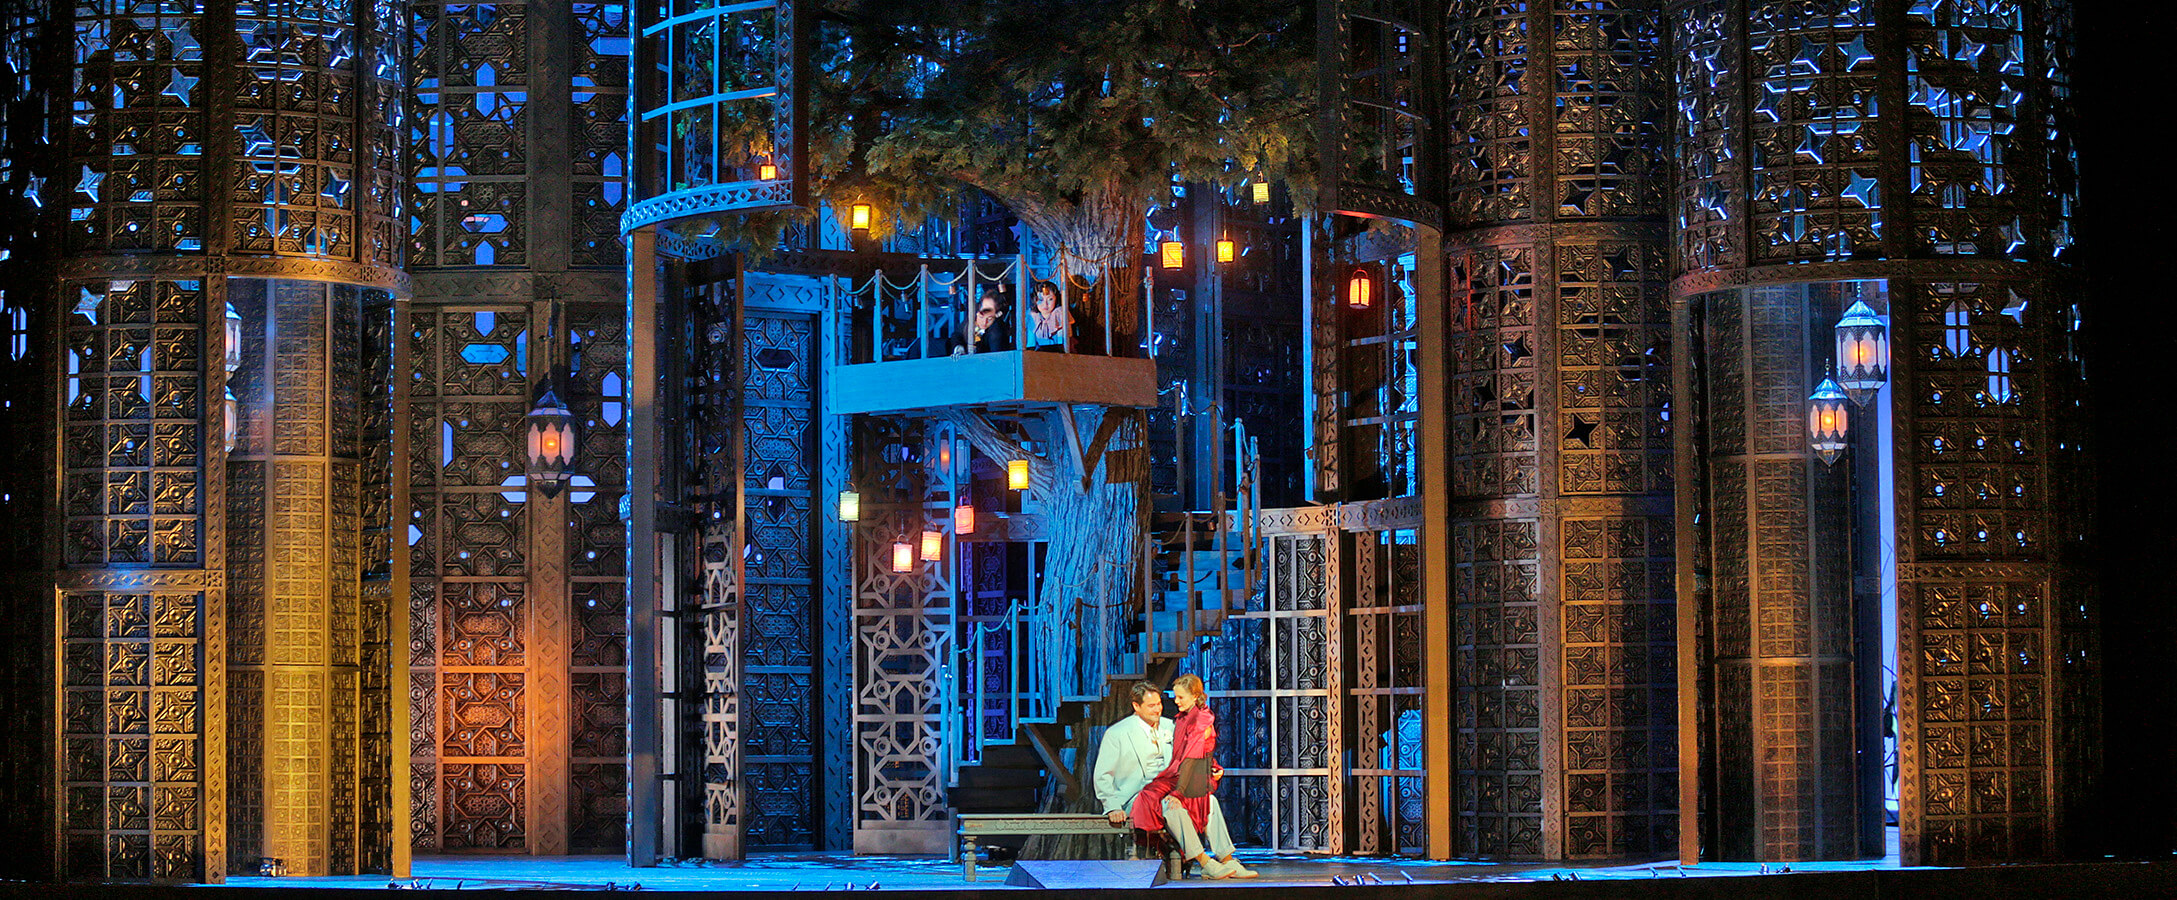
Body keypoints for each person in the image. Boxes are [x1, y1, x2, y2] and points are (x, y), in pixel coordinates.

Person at [1129, 674, 1256, 879]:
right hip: (1177, 776)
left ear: (1195, 696)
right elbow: (1186, 756)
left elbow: (1193, 756)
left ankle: (1227, 859)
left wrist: (1182, 789)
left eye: (1181, 697)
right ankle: (1205, 861)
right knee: (1169, 806)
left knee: (1206, 803)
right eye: (1175, 697)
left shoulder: (1200, 719)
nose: (1176, 701)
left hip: (1186, 776)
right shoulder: (1182, 719)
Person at [949, 288, 1010, 355]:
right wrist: (959, 347)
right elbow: (957, 334)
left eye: (989, 318)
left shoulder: (996, 331)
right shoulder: (973, 316)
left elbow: (995, 357)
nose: (984, 322)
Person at [1026, 280, 1071, 352]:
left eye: (1050, 299)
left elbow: (1065, 343)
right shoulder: (1032, 316)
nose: (1045, 304)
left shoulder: (1060, 314)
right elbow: (1031, 345)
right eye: (1040, 299)